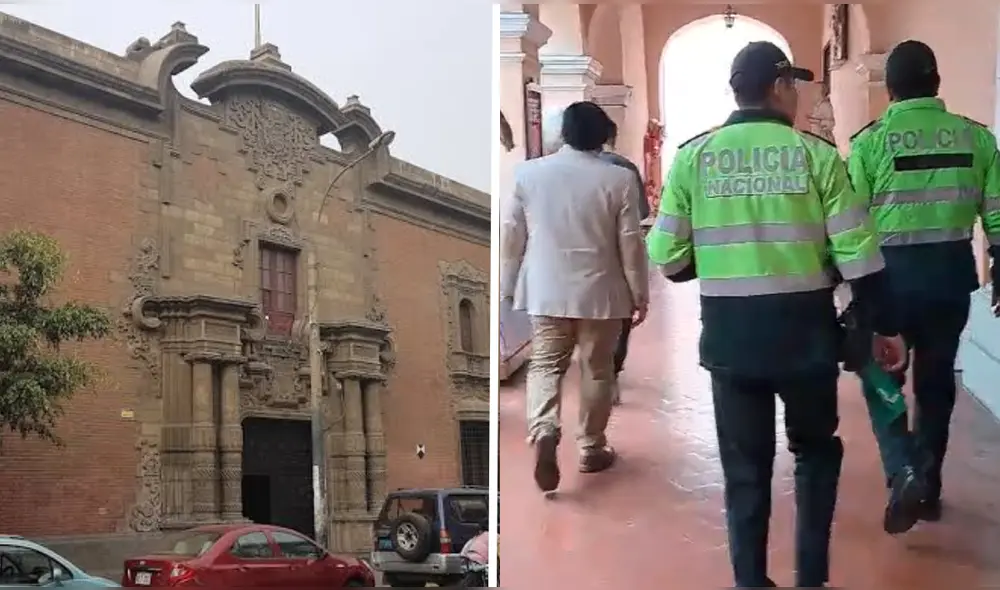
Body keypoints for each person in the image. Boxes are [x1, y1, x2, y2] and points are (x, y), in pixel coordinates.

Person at [646, 41, 906, 588]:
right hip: (806, 338)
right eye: (795, 86)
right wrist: (881, 326)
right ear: (779, 86)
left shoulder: (694, 157)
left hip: (731, 343)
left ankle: (750, 581)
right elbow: (859, 257)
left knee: (745, 472)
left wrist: (714, 261)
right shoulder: (815, 156)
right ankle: (811, 578)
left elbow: (666, 258)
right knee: (814, 454)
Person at [846, 39, 1000, 523]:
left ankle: (902, 470)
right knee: (935, 383)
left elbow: (852, 223)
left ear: (889, 88)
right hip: (950, 276)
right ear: (937, 83)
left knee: (880, 374)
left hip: (889, 280)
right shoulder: (977, 139)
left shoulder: (869, 143)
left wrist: (852, 287)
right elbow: (996, 216)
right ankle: (928, 484)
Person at [500, 101, 649, 493]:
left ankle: (544, 429)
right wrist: (640, 293)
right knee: (597, 369)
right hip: (603, 292)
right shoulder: (618, 180)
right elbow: (631, 243)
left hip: (546, 290)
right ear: (604, 137)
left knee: (546, 366)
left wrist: (507, 284)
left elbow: (512, 236)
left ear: (563, 133)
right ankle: (591, 448)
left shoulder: (528, 174)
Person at [599, 120, 651, 405]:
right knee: (620, 321)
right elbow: (640, 215)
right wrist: (640, 293)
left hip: (574, 264)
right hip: (617, 259)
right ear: (612, 137)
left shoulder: (548, 170)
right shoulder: (624, 169)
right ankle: (611, 376)